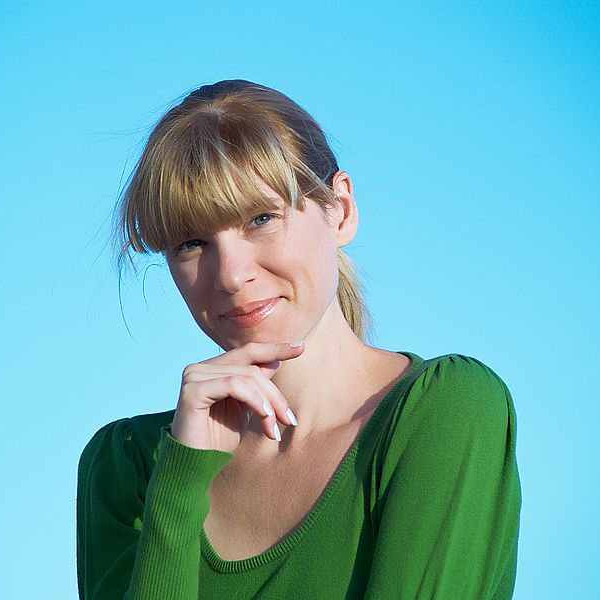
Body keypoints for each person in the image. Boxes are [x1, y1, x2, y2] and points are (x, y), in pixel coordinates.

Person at [76, 79, 521, 599]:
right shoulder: (126, 465)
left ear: (341, 209)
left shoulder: (445, 410)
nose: (230, 275)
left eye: (260, 218)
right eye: (191, 242)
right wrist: (178, 486)